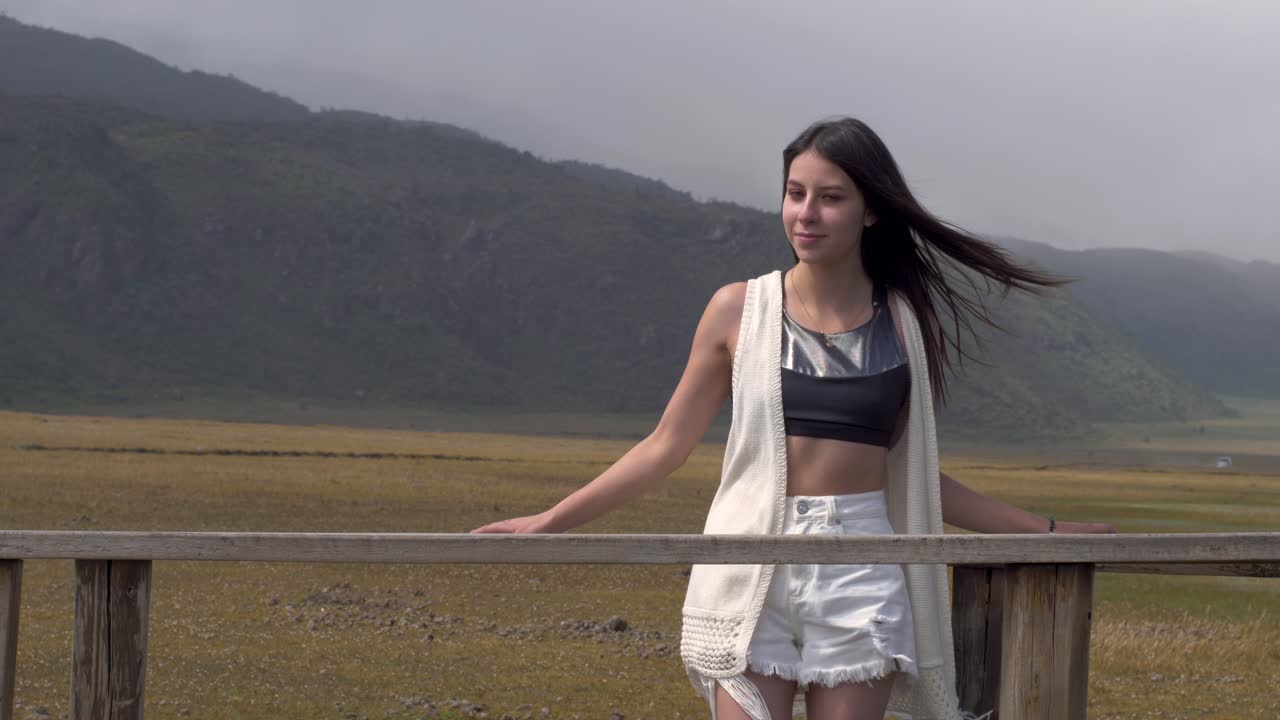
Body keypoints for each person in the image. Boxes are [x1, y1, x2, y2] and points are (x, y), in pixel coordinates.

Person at [472, 117, 1115, 720]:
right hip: (750, 559)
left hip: (862, 566)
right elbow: (665, 446)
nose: (806, 214)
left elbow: (914, 478)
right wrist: (550, 520)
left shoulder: (906, 325)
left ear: (872, 211)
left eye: (830, 197)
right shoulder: (737, 310)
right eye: (795, 193)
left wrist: (1049, 531)